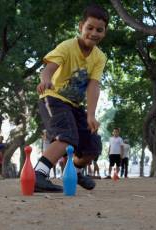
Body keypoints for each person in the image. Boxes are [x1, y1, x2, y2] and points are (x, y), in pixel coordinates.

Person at [34, 4, 109, 192]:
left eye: (99, 30)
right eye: (89, 28)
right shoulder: (68, 46)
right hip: (53, 98)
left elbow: (94, 85)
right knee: (66, 135)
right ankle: (38, 175)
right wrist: (45, 81)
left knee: (92, 145)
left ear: (104, 33)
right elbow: (48, 69)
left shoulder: (100, 57)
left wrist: (91, 114)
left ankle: (73, 171)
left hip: (74, 105)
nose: (94, 33)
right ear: (80, 27)